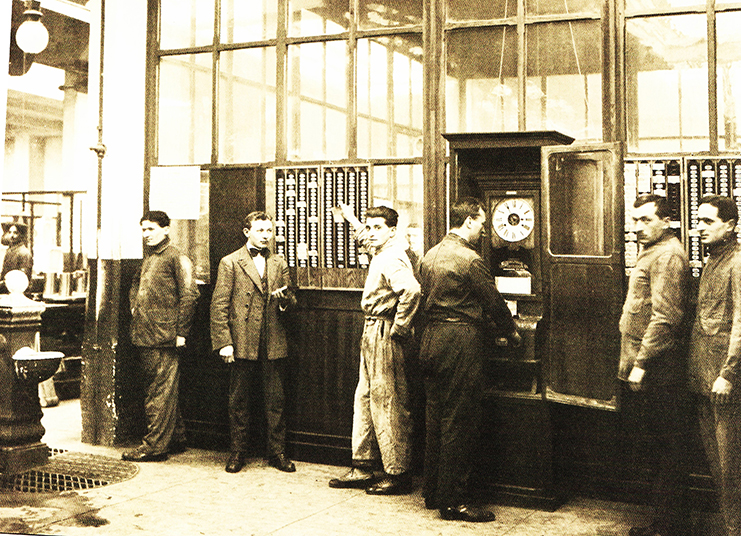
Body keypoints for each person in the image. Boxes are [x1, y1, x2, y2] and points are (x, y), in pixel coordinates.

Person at [418, 197, 520, 523]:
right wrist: (512, 332)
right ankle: (454, 501)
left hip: (431, 339)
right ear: (469, 221)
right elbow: (494, 303)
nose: (483, 230)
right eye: (482, 224)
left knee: (435, 417)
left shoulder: (430, 255)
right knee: (459, 420)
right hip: (460, 342)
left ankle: (433, 492)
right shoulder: (470, 260)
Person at [328, 204, 421, 495]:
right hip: (372, 330)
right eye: (369, 227)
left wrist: (400, 327)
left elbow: (412, 291)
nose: (370, 233)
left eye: (377, 227)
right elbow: (365, 237)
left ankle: (398, 473)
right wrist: (352, 219)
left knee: (388, 401)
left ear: (393, 231)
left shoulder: (393, 256)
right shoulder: (381, 250)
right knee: (365, 398)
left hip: (385, 331)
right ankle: (362, 466)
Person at [619, 194, 691, 536]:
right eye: (635, 220)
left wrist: (641, 363)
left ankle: (666, 527)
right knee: (661, 448)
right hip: (652, 367)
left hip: (661, 368)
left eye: (646, 220)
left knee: (668, 450)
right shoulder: (654, 250)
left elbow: (665, 318)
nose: (638, 227)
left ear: (667, 221)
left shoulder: (668, 256)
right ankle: (666, 523)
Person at [210, 211, 297, 474]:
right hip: (242, 340)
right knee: (239, 400)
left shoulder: (279, 262)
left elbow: (291, 301)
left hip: (272, 339)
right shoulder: (230, 262)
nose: (266, 236)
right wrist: (224, 342)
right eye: (260, 230)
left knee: (275, 401)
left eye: (269, 230)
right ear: (247, 232)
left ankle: (277, 453)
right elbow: (219, 305)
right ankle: (237, 452)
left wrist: (284, 300)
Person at [122, 210, 199, 462]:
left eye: (151, 229)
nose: (146, 234)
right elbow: (136, 285)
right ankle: (175, 438)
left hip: (164, 337)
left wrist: (181, 333)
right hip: (146, 334)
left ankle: (154, 447)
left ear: (166, 229)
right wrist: (135, 307)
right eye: (143, 230)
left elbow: (190, 295)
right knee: (161, 389)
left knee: (158, 392)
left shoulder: (176, 257)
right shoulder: (151, 257)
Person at [688, 194, 741, 536]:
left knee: (731, 468)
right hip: (704, 380)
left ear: (730, 225)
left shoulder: (737, 263)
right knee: (718, 467)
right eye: (699, 220)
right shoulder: (713, 261)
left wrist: (728, 373)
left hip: (724, 385)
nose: (700, 228)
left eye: (708, 221)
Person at [1, 222, 33, 289]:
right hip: (7, 287)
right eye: (10, 232)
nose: (11, 235)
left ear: (22, 235)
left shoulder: (24, 253)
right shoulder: (10, 250)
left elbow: (22, 278)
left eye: (15, 233)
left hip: (17, 289)